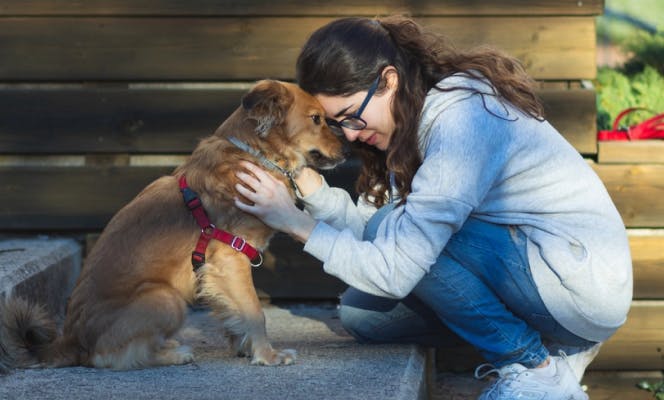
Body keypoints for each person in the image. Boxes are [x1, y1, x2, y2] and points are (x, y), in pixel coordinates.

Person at [233, 16, 632, 400]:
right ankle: (555, 348)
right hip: (540, 279)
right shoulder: (408, 122)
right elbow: (378, 234)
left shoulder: (462, 120)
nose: (352, 134)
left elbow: (395, 260)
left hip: (577, 282)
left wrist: (296, 223)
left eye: (352, 115)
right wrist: (314, 193)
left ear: (389, 80)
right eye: (339, 124)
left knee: (395, 241)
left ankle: (533, 368)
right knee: (363, 315)